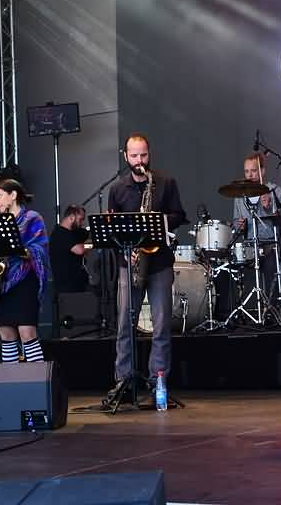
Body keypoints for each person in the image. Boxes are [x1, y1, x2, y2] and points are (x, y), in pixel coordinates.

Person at [106, 134, 187, 403]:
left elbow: (179, 215)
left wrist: (157, 220)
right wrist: (124, 251)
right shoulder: (117, 189)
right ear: (125, 156)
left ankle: (157, 384)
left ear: (149, 154)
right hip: (129, 263)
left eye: (143, 155)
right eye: (134, 156)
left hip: (159, 262)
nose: (139, 161)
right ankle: (123, 382)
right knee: (124, 326)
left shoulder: (165, 182)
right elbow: (111, 228)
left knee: (161, 325)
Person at [0, 179, 50, 364]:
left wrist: (20, 250)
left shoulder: (32, 217)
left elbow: (40, 247)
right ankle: (12, 377)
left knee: (26, 331)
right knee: (5, 331)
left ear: (13, 195)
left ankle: (37, 377)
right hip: (4, 281)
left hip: (26, 279)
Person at [231, 152, 281, 294]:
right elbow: (236, 222)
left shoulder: (274, 190)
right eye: (246, 171)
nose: (249, 175)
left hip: (271, 245)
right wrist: (240, 226)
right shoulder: (240, 196)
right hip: (250, 247)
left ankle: (272, 305)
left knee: (271, 274)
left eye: (253, 171)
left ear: (262, 171)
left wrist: (270, 207)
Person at [48, 206, 89, 294]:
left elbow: (88, 234)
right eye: (80, 220)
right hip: (66, 288)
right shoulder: (59, 234)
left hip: (77, 285)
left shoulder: (74, 232)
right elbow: (79, 250)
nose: (82, 223)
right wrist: (91, 244)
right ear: (71, 217)